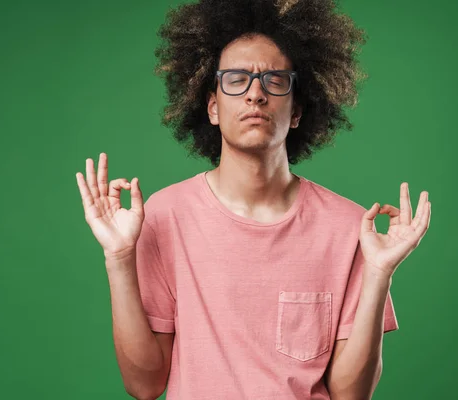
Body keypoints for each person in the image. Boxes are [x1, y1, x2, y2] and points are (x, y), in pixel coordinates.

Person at [75, 0, 431, 399]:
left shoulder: (349, 229)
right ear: (212, 107)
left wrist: (379, 273)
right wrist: (119, 259)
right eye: (236, 79)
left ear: (296, 110)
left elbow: (351, 394)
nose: (255, 95)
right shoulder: (164, 216)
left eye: (274, 80)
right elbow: (144, 385)